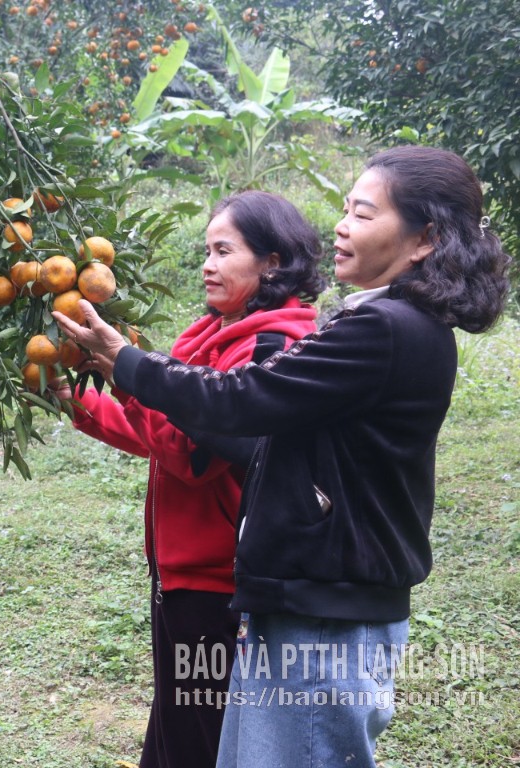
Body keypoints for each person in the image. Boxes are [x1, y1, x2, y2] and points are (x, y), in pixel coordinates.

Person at [55, 146, 511, 768]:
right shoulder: (387, 321)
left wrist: (125, 362)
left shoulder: (385, 329)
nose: (342, 227)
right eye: (345, 210)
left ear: (425, 238)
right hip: (307, 600)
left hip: (325, 611)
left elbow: (242, 400)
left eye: (363, 214)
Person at [56, 191, 324, 768]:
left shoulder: (270, 346)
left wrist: (125, 373)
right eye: (207, 251)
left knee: (197, 740)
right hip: (179, 576)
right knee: (175, 734)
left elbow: (191, 458)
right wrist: (75, 399)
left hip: (219, 584)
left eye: (224, 251)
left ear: (272, 262)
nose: (207, 265)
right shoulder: (206, 335)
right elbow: (154, 436)